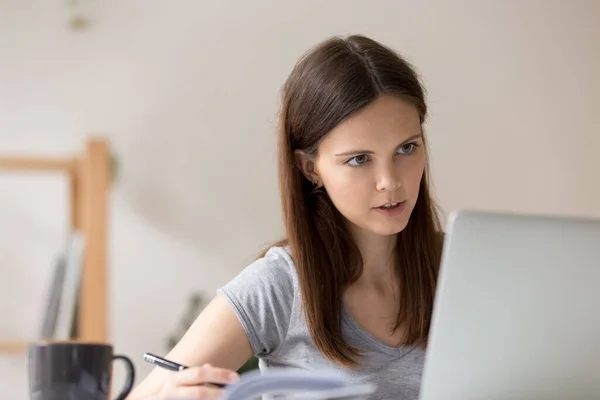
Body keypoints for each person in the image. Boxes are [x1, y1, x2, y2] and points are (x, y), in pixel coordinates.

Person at [127, 33, 443, 400]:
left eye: (406, 148)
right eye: (359, 159)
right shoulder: (280, 287)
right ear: (311, 169)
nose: (390, 182)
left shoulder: (466, 270)